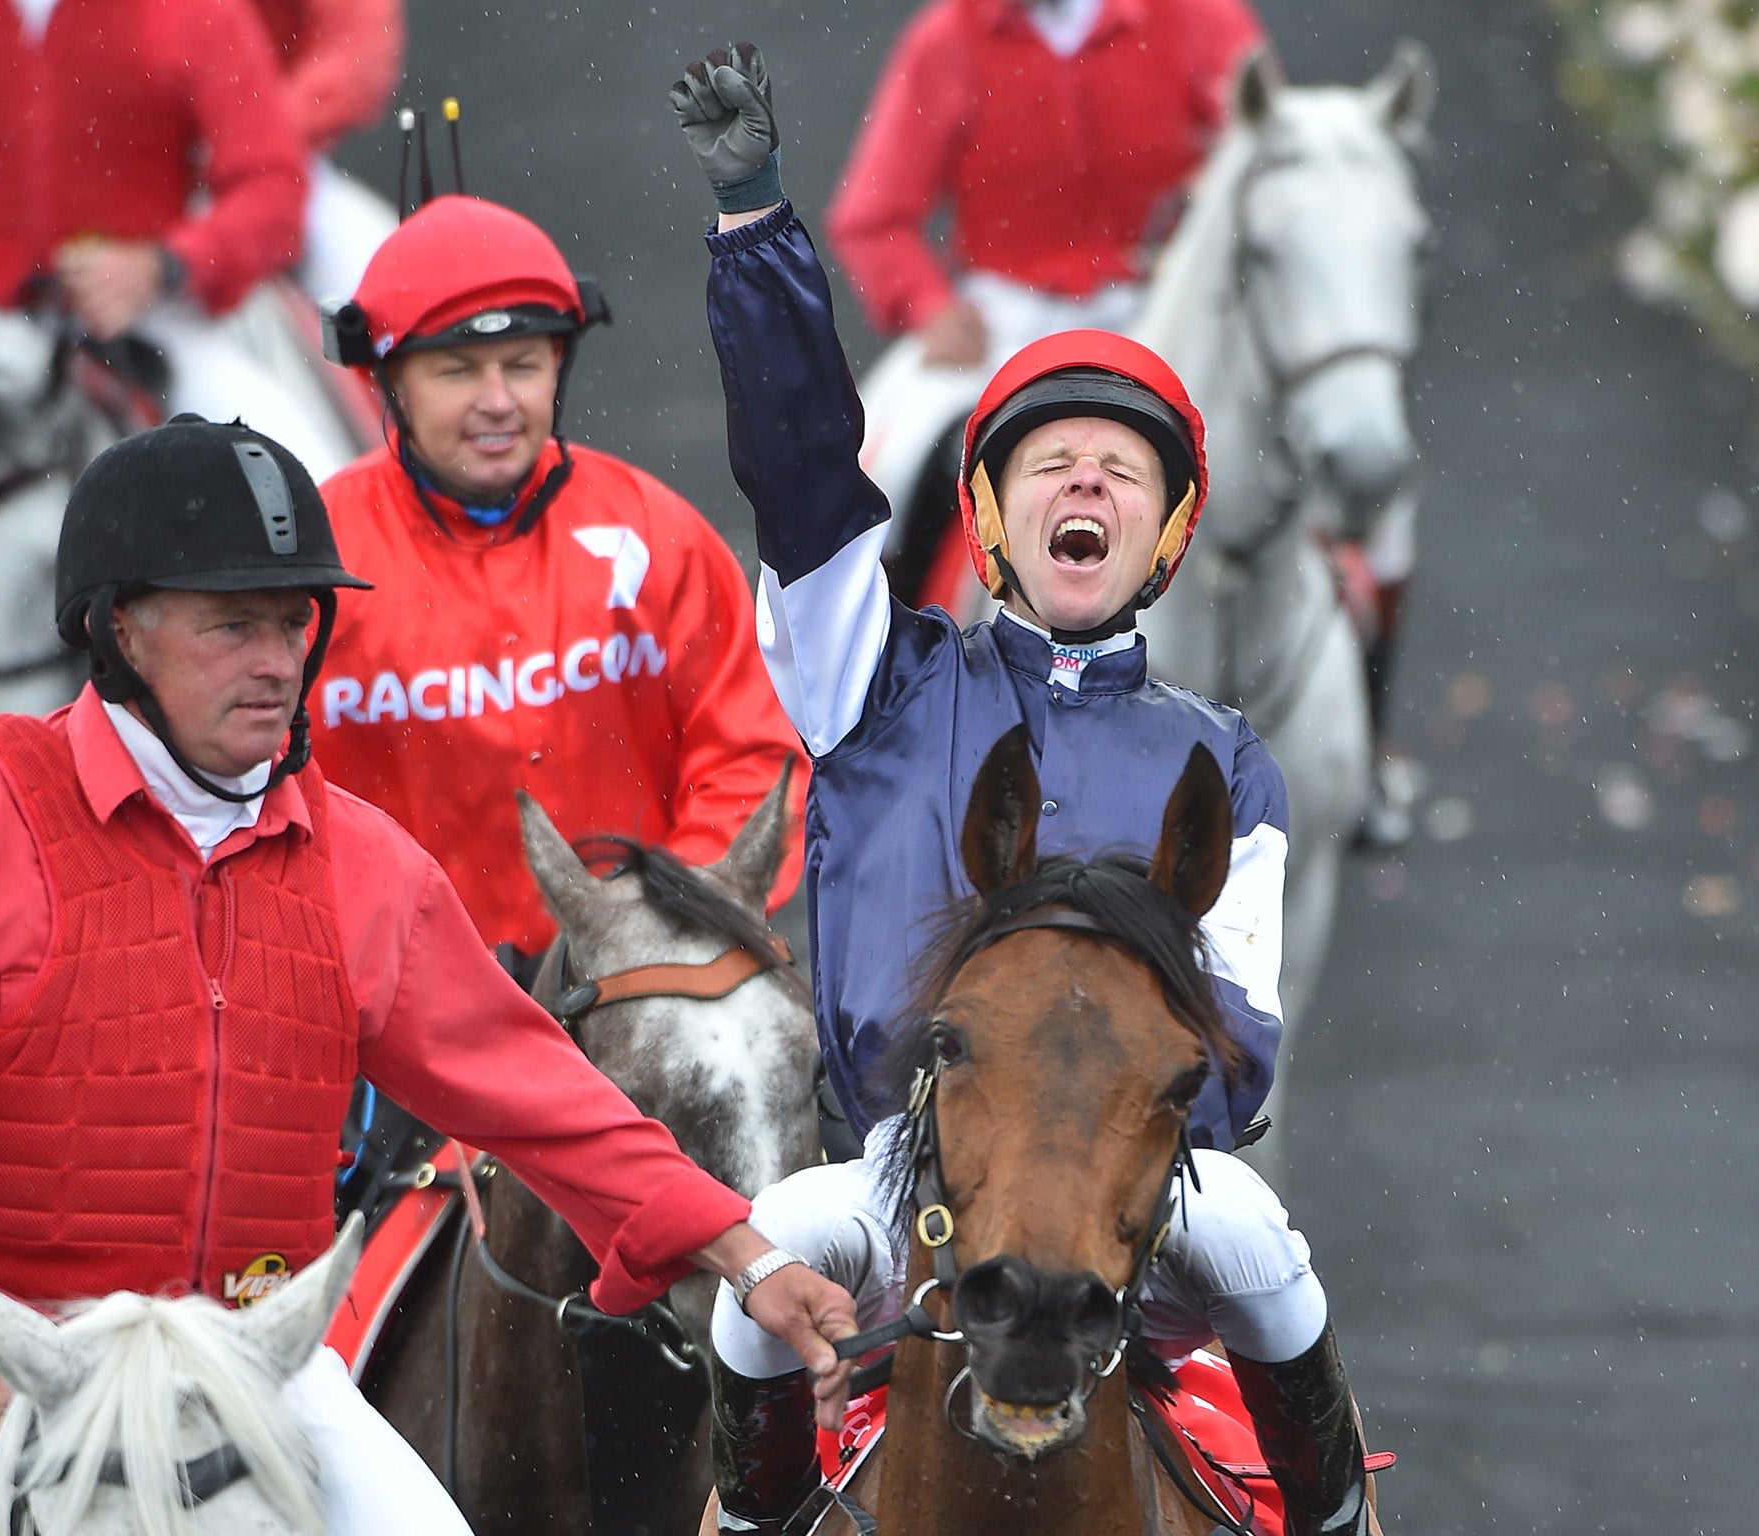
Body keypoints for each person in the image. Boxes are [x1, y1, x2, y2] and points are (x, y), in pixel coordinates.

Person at [673, 46, 1369, 1536]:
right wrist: (754, 225)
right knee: (764, 1252)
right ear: (989, 514)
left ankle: (1336, 1522)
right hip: (900, 1169)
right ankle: (762, 1519)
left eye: (1124, 474)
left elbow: (1241, 1040)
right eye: (1051, 464)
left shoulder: (1226, 757)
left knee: (1270, 1259)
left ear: (1168, 533)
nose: (1086, 491)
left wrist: (1118, 1101)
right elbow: (800, 472)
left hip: (1139, 1179)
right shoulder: (873, 683)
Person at [0, 418, 857, 1534]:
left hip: (253, 1351)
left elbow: (541, 1097)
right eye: (233, 626)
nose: (277, 661)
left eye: (291, 623)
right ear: (119, 627)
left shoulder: (358, 860)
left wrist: (746, 1254)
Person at [312, 194, 809, 957]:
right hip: (390, 995)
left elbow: (753, 757)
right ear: (390, 385)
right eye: (456, 372)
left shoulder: (656, 535)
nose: (498, 402)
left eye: (522, 366)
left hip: (643, 975)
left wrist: (661, 919)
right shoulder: (315, 561)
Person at [0, 0, 350, 478]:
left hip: (141, 320)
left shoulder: (187, 11)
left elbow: (273, 184)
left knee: (304, 477)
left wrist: (165, 265)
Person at [827, 0, 1264, 370]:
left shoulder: (1196, 16)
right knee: (888, 456)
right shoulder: (948, 38)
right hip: (1004, 331)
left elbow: (1267, 160)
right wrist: (927, 306)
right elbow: (872, 218)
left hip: (1179, 312)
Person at [251, 0, 406, 303]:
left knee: (391, 287)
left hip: (281, 168)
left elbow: (358, 58)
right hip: (157, 180)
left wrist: (253, 137)